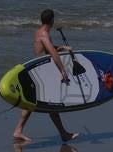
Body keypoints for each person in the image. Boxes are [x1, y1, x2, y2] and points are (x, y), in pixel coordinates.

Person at [12, 8, 80, 143]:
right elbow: (52, 53)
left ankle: (18, 131)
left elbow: (47, 48)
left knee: (31, 103)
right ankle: (64, 134)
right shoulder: (44, 34)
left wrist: (62, 47)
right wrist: (63, 71)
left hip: (36, 72)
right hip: (40, 73)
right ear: (52, 20)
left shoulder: (40, 32)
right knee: (52, 103)